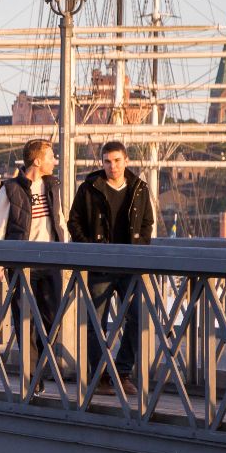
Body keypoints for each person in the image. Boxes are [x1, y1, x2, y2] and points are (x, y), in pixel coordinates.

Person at [67, 140, 156, 394]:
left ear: (126, 161)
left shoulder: (139, 188)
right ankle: (101, 377)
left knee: (138, 317)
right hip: (100, 266)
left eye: (117, 160)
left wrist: (139, 247)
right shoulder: (89, 188)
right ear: (102, 163)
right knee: (96, 322)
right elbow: (74, 222)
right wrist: (90, 249)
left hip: (129, 265)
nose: (112, 166)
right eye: (107, 161)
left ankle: (123, 371)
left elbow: (147, 223)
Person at [0, 139, 68, 367]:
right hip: (22, 264)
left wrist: (68, 252)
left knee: (53, 319)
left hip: (51, 260)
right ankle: (31, 376)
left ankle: (41, 365)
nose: (55, 161)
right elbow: (0, 228)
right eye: (51, 156)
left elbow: (60, 220)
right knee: (25, 321)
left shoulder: (53, 185)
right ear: (37, 160)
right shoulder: (10, 189)